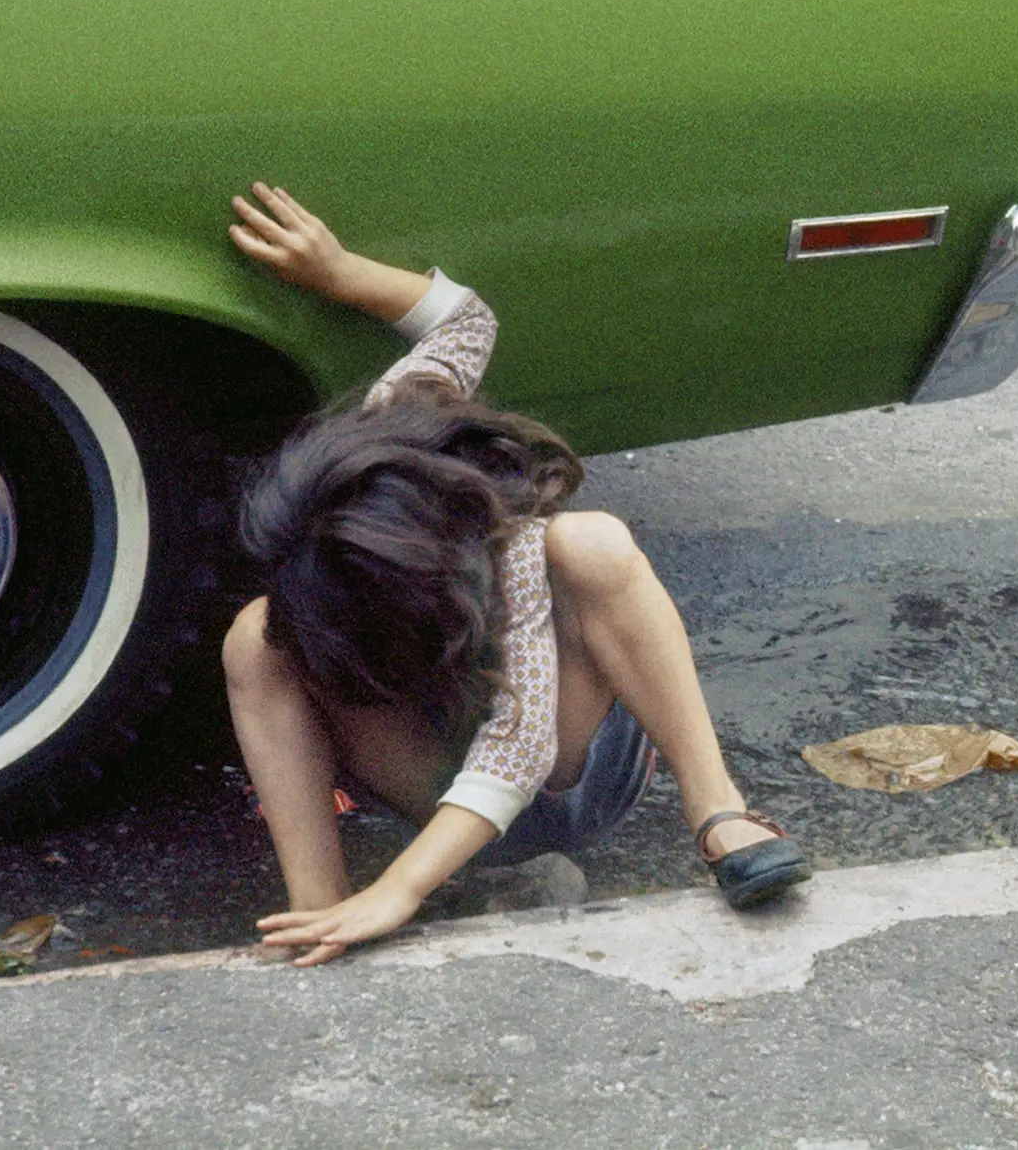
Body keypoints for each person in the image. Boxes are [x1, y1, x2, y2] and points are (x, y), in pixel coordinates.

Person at [217, 183, 810, 967]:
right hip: (425, 780)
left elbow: (519, 750)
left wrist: (401, 889)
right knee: (257, 635)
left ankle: (719, 812)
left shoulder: (515, 550)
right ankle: (319, 906)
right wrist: (334, 274)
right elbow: (465, 319)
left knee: (593, 545)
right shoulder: (398, 419)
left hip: (559, 784)